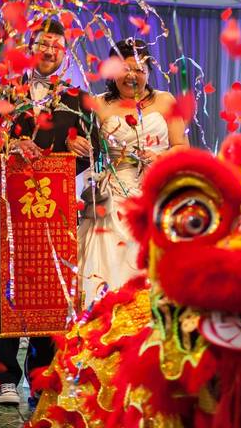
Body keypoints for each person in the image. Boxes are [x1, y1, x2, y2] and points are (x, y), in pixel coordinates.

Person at [0, 18, 100, 407]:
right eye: (43, 43)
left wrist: (82, 151)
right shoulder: (5, 91)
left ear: (65, 52)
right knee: (9, 285)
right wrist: (8, 147)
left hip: (55, 207)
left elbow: (91, 149)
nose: (50, 51)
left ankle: (42, 375)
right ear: (29, 48)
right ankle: (5, 376)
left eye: (57, 45)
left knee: (52, 289)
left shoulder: (79, 100)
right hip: (10, 205)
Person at [78, 38, 187, 306]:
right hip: (114, 192)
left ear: (148, 72)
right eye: (126, 69)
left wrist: (159, 156)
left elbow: (182, 148)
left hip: (158, 189)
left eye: (139, 69)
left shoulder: (165, 101)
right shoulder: (98, 104)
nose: (132, 76)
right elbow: (88, 150)